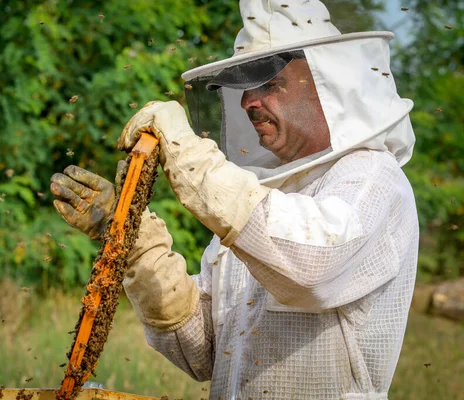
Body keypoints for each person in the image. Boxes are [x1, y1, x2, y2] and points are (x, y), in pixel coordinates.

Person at [50, 0, 419, 398]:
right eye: (244, 88)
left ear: (325, 83)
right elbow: (204, 352)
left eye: (268, 84)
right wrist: (134, 242)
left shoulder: (371, 178)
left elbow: (312, 268)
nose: (247, 103)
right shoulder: (264, 197)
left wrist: (187, 151)